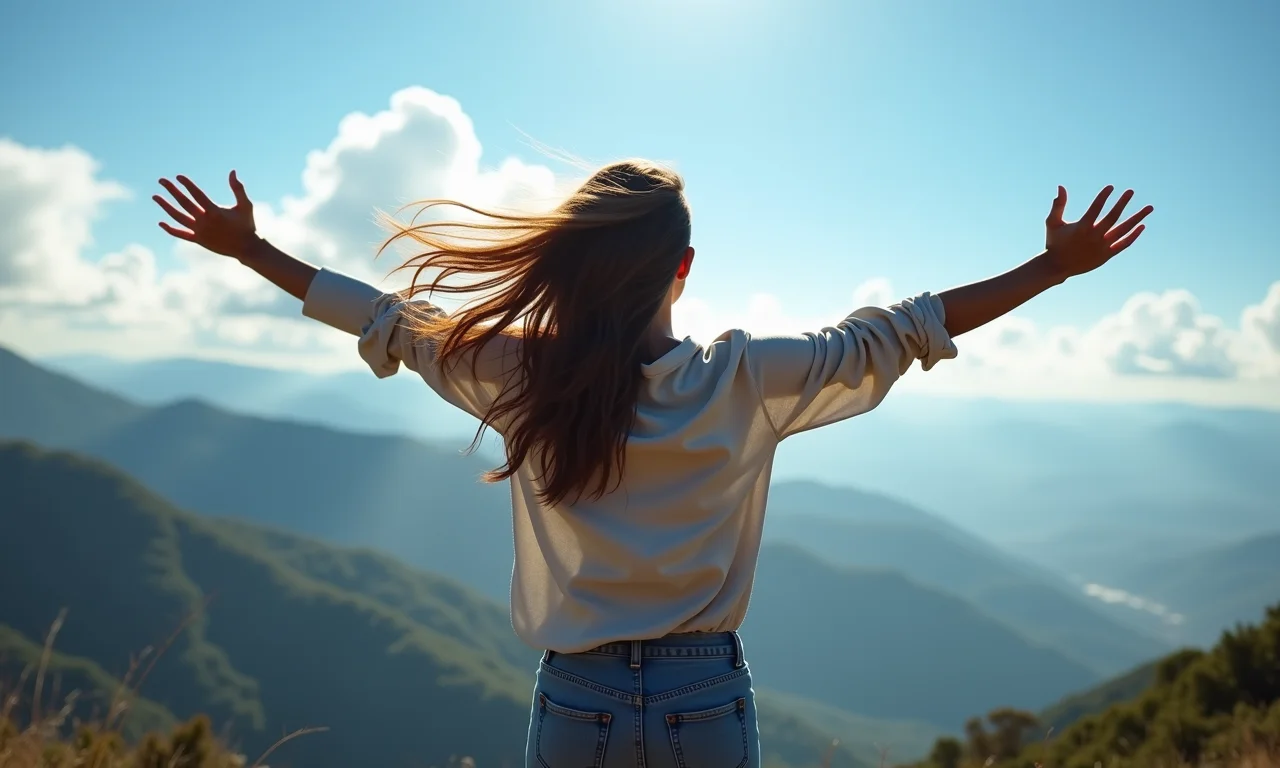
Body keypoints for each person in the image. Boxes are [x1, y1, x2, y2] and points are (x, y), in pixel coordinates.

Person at [153, 161, 1151, 768]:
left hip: (575, 697)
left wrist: (251, 250)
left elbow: (386, 321)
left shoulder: (516, 374)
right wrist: (1049, 269)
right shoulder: (743, 378)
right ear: (683, 270)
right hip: (701, 698)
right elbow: (899, 332)